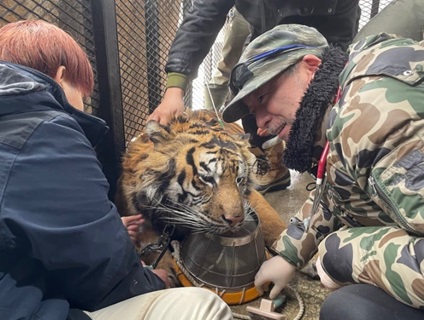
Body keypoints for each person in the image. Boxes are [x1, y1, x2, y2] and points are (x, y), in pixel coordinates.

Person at [0, 20, 233, 320]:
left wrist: (101, 229)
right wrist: (152, 281)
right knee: (203, 306)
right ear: (60, 76)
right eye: (84, 96)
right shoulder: (46, 129)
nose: (85, 107)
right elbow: (106, 274)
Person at [221, 23, 424, 319]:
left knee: (349, 308)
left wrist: (343, 254)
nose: (261, 125)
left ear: (311, 67)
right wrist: (290, 253)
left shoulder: (373, 118)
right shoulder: (352, 84)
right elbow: (338, 183)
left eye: (263, 98)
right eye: (254, 113)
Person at [148, 0, 361, 194]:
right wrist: (175, 89)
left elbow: (339, 43)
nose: (262, 122)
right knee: (251, 95)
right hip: (266, 31)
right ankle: (273, 163)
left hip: (329, 30)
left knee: (327, 113)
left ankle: (331, 166)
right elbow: (204, 15)